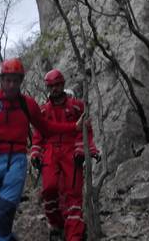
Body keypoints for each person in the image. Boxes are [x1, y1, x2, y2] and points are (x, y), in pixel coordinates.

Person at [0, 58, 86, 241]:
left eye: (15, 81)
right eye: (7, 80)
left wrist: (73, 127)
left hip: (16, 162)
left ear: (20, 81)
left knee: (5, 210)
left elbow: (46, 127)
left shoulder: (28, 104)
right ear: (2, 80)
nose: (11, 85)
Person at [30, 69, 100, 241]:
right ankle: (57, 225)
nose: (55, 89)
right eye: (51, 86)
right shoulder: (43, 110)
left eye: (57, 85)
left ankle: (74, 236)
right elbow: (39, 134)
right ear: (47, 87)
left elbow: (86, 131)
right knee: (49, 190)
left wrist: (81, 150)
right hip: (50, 151)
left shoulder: (77, 106)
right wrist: (35, 153)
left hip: (70, 152)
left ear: (63, 84)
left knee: (73, 195)